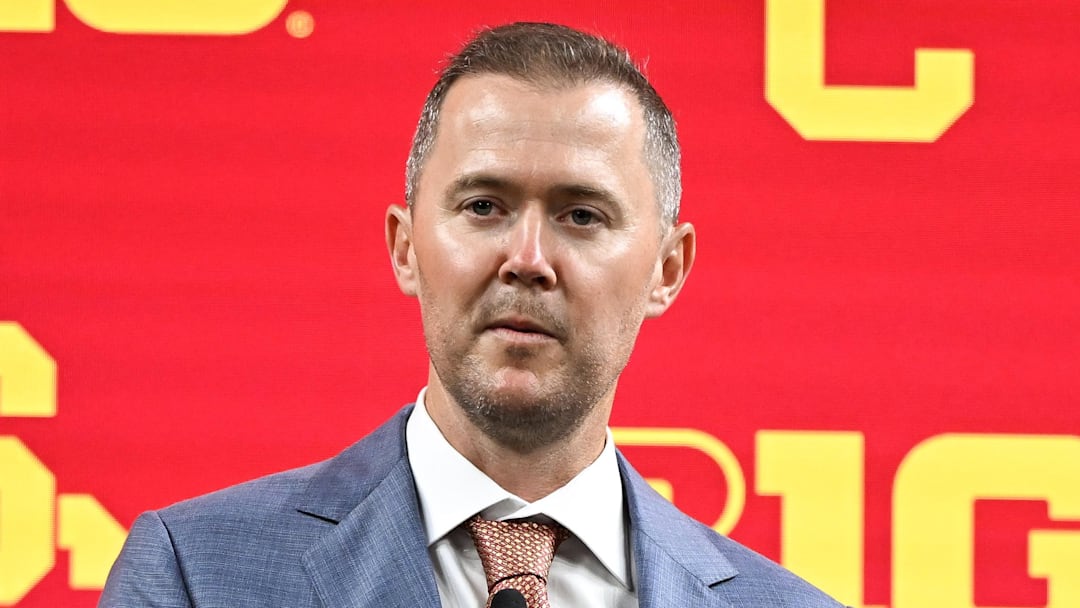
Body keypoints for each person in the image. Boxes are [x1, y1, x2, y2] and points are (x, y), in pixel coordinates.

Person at [100, 22, 846, 608]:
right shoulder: (197, 576)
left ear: (667, 269)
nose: (528, 257)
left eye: (581, 215)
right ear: (405, 247)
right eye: (483, 206)